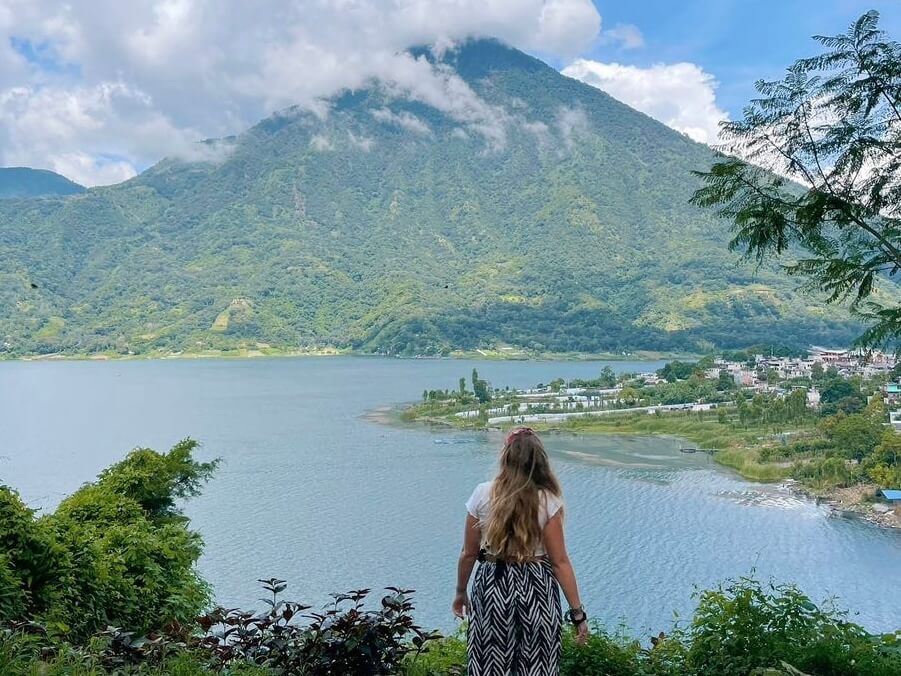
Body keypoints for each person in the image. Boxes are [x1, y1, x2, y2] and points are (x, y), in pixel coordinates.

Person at [452, 427, 588, 675]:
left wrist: (461, 592)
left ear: (505, 456)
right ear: (540, 460)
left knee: (489, 662)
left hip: (493, 582)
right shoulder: (548, 501)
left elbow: (468, 553)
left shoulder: (482, 494)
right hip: (537, 586)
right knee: (539, 663)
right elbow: (559, 562)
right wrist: (577, 613)